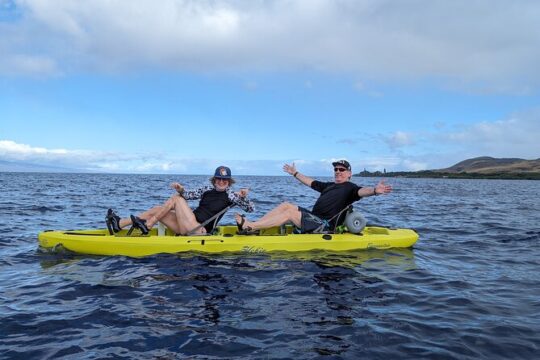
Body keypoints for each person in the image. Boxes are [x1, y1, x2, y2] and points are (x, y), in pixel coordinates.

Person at [235, 160, 392, 233]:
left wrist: (374, 191)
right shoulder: (329, 186)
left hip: (323, 224)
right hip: (313, 217)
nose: (338, 171)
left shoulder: (350, 188)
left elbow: (361, 192)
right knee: (285, 205)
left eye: (341, 169)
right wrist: (294, 173)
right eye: (336, 169)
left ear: (349, 174)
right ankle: (255, 225)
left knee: (289, 213)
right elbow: (310, 182)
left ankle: (251, 226)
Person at [106, 166, 254, 235]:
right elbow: (187, 195)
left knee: (176, 200)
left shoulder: (232, 196)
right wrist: (181, 190)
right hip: (187, 225)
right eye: (219, 179)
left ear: (229, 182)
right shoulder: (205, 190)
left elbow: (250, 209)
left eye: (225, 180)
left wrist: (243, 196)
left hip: (199, 230)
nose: (222, 182)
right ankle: (120, 224)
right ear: (214, 179)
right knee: (158, 208)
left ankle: (149, 225)